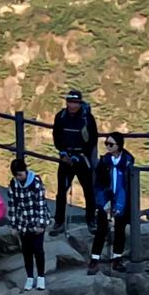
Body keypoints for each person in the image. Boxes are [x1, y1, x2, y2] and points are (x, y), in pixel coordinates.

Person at [51, 87, 100, 236]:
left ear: (80, 103)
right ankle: (59, 223)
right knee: (61, 192)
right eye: (70, 102)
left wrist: (82, 154)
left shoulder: (87, 118)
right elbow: (56, 136)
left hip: (82, 159)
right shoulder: (60, 117)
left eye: (75, 102)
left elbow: (93, 139)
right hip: (66, 159)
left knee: (88, 191)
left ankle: (91, 221)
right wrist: (63, 152)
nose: (72, 105)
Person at [4, 152, 52, 289]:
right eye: (17, 175)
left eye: (21, 174)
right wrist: (13, 225)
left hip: (36, 218)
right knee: (26, 251)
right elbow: (12, 204)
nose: (19, 177)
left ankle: (41, 277)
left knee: (38, 250)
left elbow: (41, 204)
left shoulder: (35, 183)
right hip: (22, 221)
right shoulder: (13, 185)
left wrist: (41, 224)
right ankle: (30, 277)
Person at [93, 131, 139, 269]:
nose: (107, 146)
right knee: (101, 230)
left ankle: (116, 259)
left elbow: (127, 187)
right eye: (106, 143)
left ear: (119, 146)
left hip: (122, 202)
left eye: (110, 144)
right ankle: (94, 258)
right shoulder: (104, 162)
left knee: (120, 230)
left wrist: (120, 204)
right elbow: (99, 185)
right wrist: (103, 202)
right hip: (106, 200)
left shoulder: (128, 163)